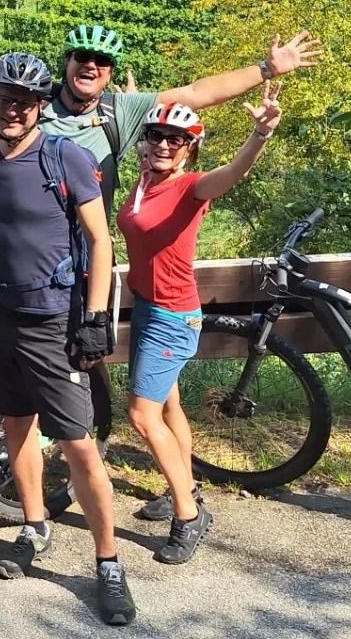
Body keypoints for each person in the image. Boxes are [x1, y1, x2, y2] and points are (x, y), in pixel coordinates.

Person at [0, 52, 134, 625]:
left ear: (40, 108)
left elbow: (100, 241)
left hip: (53, 318)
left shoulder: (65, 157)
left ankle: (109, 563)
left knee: (76, 443)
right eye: (4, 99)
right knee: (15, 425)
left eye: (24, 103)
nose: (13, 110)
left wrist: (95, 317)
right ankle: (34, 525)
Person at [0, 0, 323, 213]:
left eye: (101, 62)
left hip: (84, 248)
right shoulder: (34, 98)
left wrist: (266, 68)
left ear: (111, 74)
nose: (91, 66)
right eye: (82, 58)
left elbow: (198, 93)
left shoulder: (121, 112)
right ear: (67, 63)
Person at [119, 87, 282, 563]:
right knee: (167, 409)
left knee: (141, 417)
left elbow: (234, 173)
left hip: (172, 316)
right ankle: (182, 485)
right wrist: (134, 106)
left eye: (177, 139)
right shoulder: (144, 181)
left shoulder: (189, 187)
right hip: (148, 307)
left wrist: (260, 134)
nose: (164, 145)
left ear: (191, 147)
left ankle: (189, 516)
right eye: (156, 135)